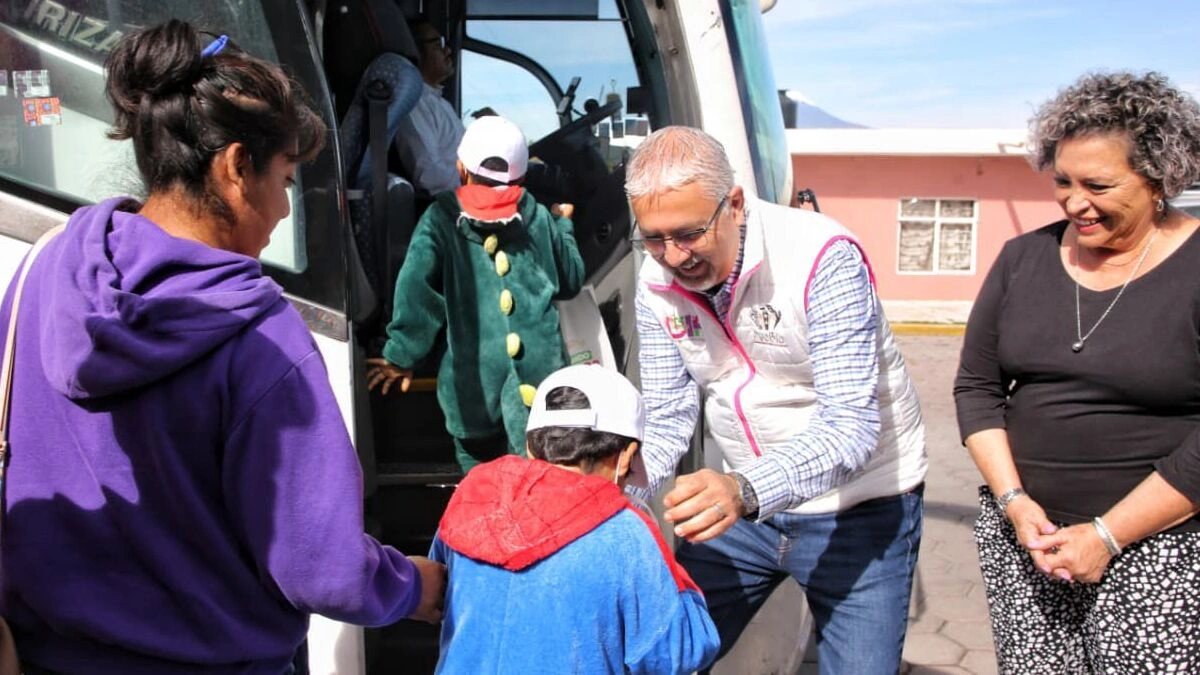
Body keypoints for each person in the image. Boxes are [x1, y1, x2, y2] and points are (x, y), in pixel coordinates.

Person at [0, 21, 444, 673]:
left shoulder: (40, 274)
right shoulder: (258, 336)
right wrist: (412, 585)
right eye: (286, 179)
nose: (287, 210)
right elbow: (324, 568)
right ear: (237, 166)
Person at [627, 126, 927, 674]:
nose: (672, 256)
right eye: (653, 237)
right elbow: (669, 413)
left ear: (734, 204)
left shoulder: (821, 256)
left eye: (689, 233)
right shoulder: (655, 280)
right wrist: (610, 493)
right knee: (660, 657)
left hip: (858, 509)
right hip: (743, 515)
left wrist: (743, 490)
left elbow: (850, 427)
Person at [954, 70, 1200, 672]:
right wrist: (1014, 502)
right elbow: (977, 388)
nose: (1072, 202)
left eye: (1098, 184)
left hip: (1158, 547)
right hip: (1027, 541)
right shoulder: (1023, 257)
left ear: (1160, 179)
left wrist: (1109, 534)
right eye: (1062, 180)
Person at [428, 364, 720, 674]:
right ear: (626, 458)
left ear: (530, 445)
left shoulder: (472, 496)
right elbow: (678, 652)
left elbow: (438, 593)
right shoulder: (626, 530)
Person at [366, 115, 585, 471]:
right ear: (522, 176)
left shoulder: (440, 217)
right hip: (540, 385)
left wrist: (401, 357)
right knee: (539, 479)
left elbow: (417, 293)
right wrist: (564, 223)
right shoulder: (539, 217)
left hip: (472, 391)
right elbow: (571, 279)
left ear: (460, 169)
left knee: (480, 481)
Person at [394, 16, 464, 195]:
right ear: (416, 52)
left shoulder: (439, 102)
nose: (448, 50)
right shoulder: (416, 104)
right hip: (454, 206)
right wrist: (479, 187)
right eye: (438, 44)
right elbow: (432, 176)